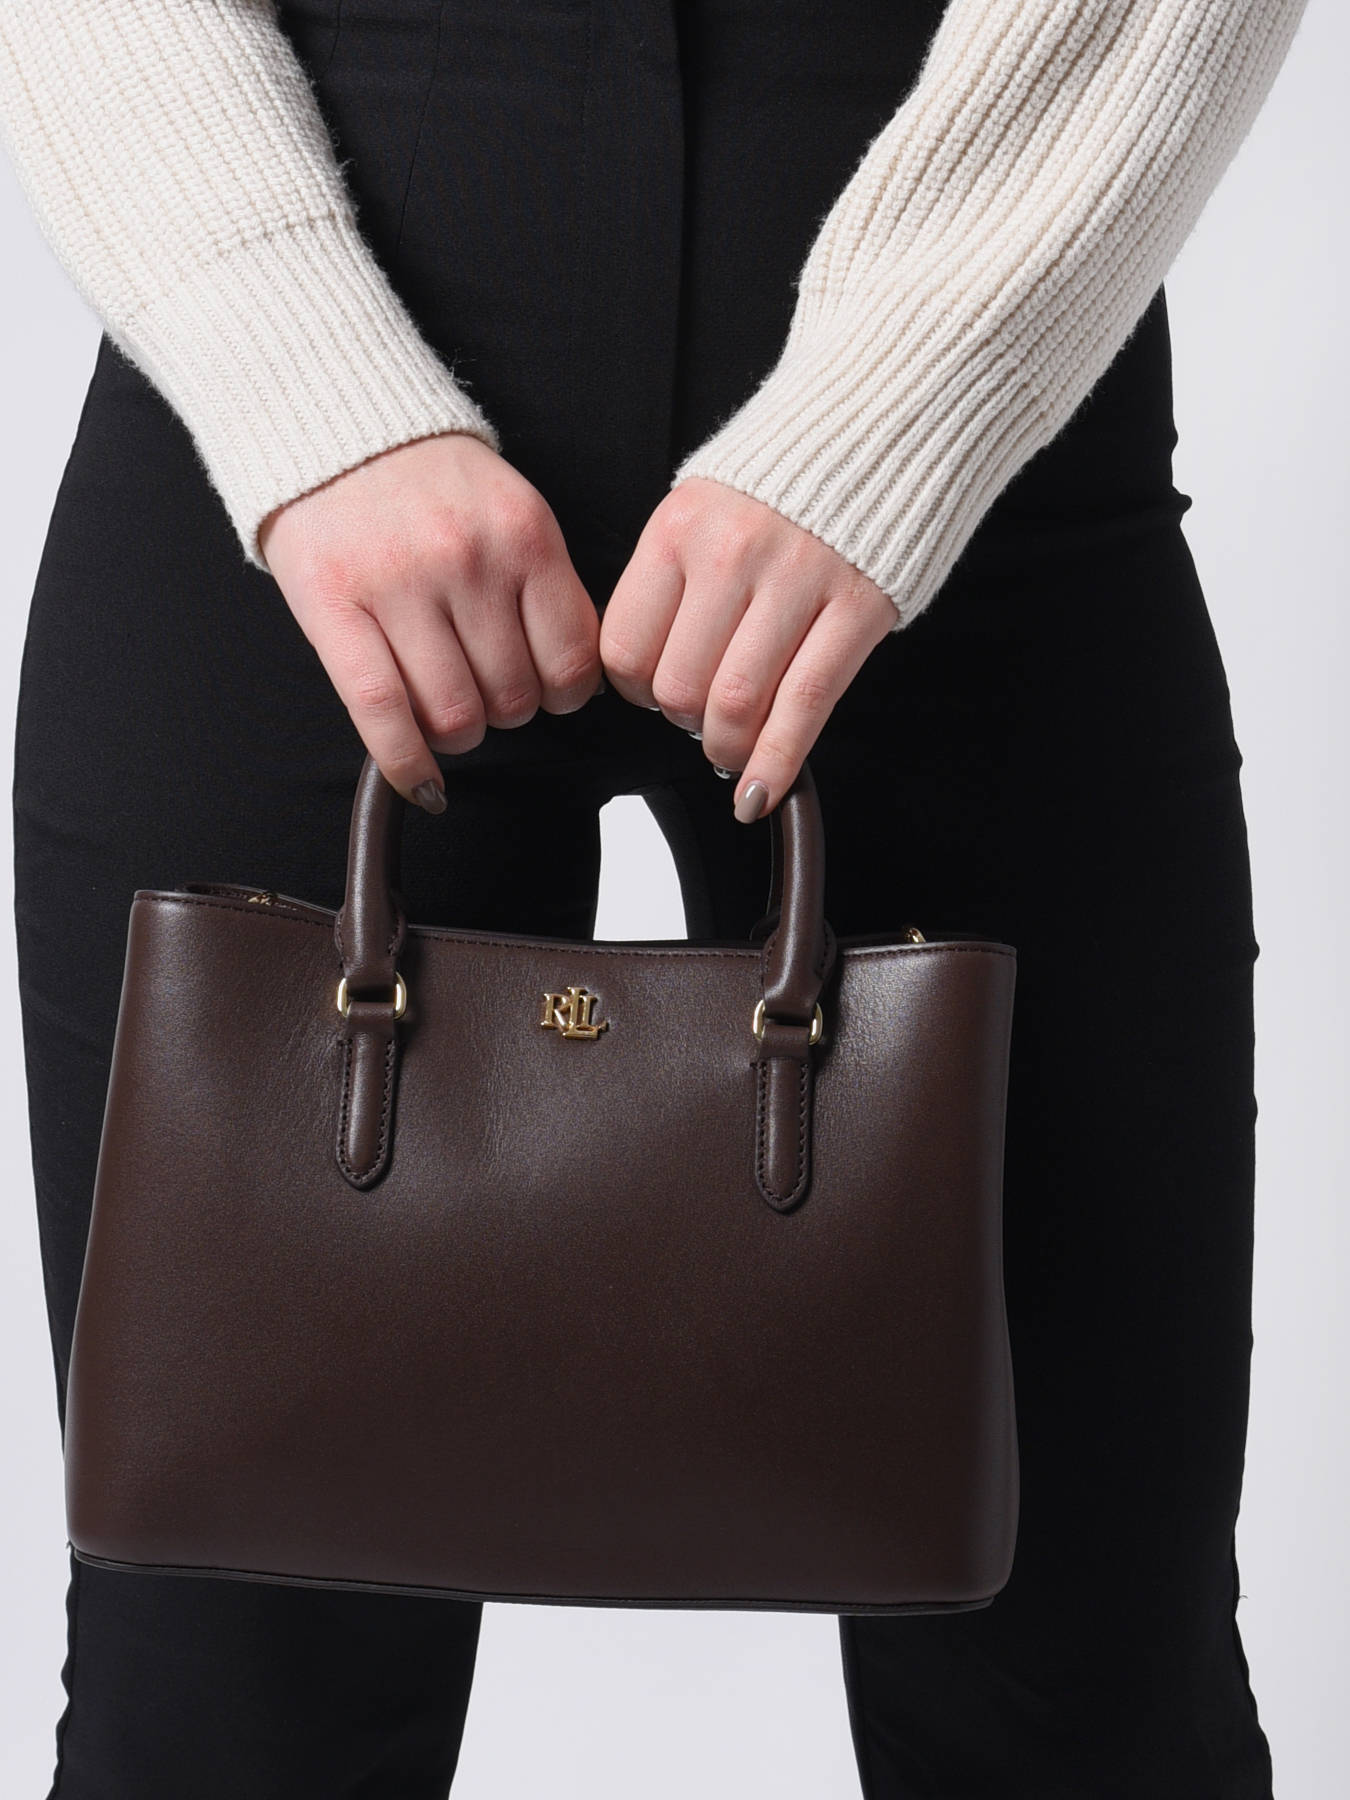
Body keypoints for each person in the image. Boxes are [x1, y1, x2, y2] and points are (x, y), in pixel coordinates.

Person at [0, 1, 1308, 1795]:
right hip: (297, 441)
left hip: (975, 401)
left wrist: (899, 396)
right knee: (219, 1709)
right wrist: (295, 375)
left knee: (1082, 1695)